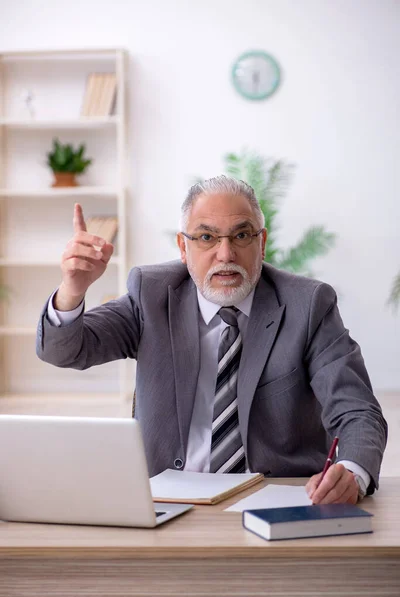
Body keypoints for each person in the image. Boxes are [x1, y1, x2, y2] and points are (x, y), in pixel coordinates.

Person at [37, 175, 387, 505]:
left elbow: (357, 410)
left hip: (277, 499)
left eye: (241, 235)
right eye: (206, 237)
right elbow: (65, 349)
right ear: (183, 247)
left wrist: (353, 472)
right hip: (168, 499)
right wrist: (73, 289)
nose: (225, 254)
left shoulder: (307, 306)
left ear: (261, 243)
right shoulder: (152, 295)